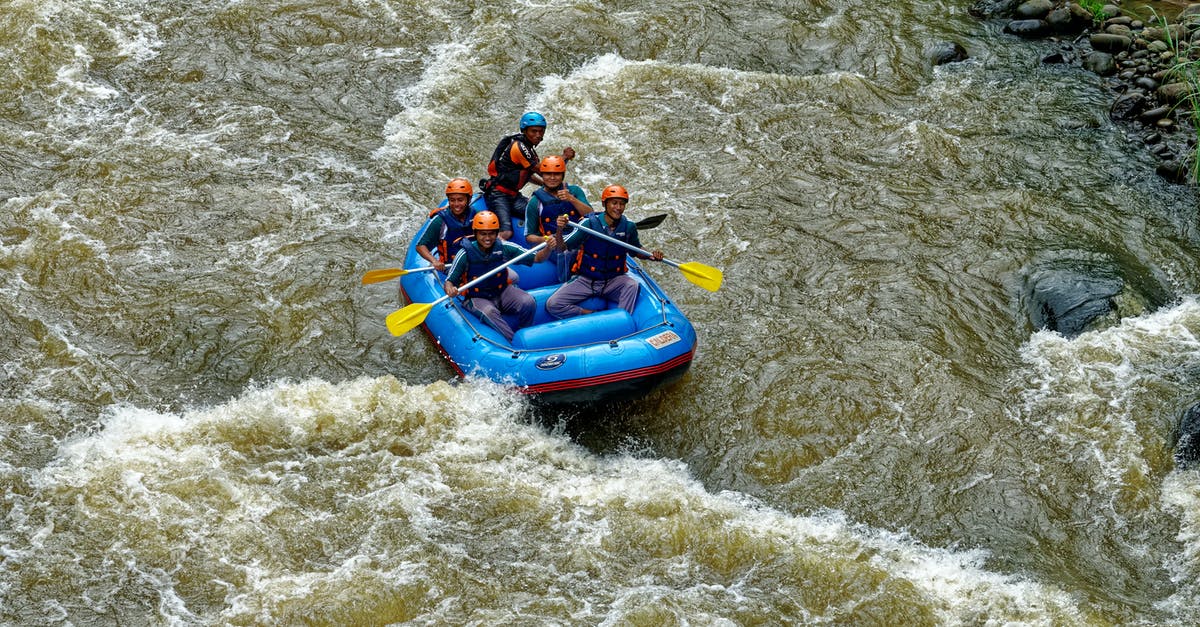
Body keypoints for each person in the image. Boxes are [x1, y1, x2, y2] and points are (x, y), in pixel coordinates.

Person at [547, 185, 663, 319]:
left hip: (613, 280)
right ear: (604, 204)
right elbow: (562, 248)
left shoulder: (628, 227)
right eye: (614, 203)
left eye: (622, 204)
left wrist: (651, 256)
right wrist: (560, 229)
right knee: (553, 304)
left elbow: (636, 250)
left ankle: (620, 320)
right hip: (587, 280)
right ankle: (590, 314)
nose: (618, 208)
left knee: (632, 285)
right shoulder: (588, 224)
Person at [445, 210, 556, 342]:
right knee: (489, 312)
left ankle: (525, 333)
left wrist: (548, 248)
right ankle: (513, 341)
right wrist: (450, 289)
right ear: (475, 233)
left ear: (497, 233)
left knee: (528, 301)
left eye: (491, 233)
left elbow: (537, 258)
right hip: (476, 297)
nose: (487, 238)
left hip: (501, 290)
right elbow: (449, 282)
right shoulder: (464, 254)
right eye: (483, 234)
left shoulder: (504, 247)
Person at [481, 111, 575, 241]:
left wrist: (544, 184)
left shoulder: (529, 149)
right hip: (498, 195)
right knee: (507, 233)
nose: (538, 135)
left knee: (539, 213)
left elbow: (528, 174)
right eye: (534, 131)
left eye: (541, 131)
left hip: (513, 196)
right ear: (524, 131)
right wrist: (564, 157)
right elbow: (543, 171)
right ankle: (489, 255)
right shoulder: (519, 147)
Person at [524, 155, 592, 282]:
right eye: (548, 174)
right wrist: (545, 240)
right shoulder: (535, 202)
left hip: (579, 239)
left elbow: (590, 215)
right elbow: (529, 236)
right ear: (542, 175)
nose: (552, 178)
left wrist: (572, 199)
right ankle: (568, 282)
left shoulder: (574, 191)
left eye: (556, 174)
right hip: (555, 246)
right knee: (565, 253)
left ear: (563, 175)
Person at [415, 177, 477, 272]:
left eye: (460, 200)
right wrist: (434, 261)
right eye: (452, 200)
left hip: (475, 261)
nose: (456, 204)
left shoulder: (476, 215)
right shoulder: (440, 221)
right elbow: (420, 246)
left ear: (469, 200)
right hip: (451, 267)